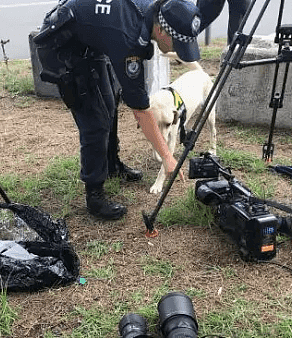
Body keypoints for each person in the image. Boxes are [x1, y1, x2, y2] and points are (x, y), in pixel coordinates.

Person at [34, 0, 202, 220]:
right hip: (62, 44)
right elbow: (141, 109)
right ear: (160, 30)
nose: (177, 51)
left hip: (91, 35)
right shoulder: (128, 37)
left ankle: (112, 164)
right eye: (177, 44)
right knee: (95, 121)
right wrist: (167, 156)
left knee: (109, 102)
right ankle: (94, 196)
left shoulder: (149, 14)